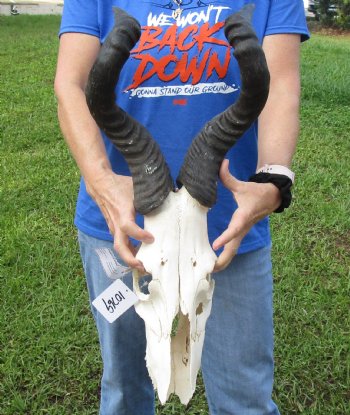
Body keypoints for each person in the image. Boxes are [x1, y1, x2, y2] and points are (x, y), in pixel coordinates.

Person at [54, 1, 309, 414]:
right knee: (123, 387)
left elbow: (278, 85)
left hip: (227, 232)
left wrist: (272, 179)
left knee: (245, 397)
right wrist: (101, 181)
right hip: (122, 230)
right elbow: (71, 84)